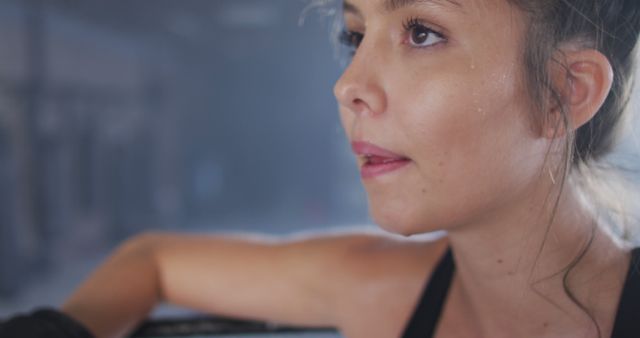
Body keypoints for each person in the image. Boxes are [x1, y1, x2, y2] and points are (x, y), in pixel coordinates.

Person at [2, 0, 640, 337]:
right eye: (355, 35)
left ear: (565, 91)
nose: (348, 85)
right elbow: (153, 260)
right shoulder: (377, 289)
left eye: (421, 31)